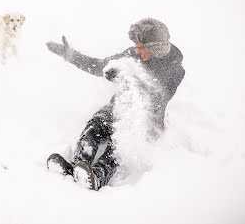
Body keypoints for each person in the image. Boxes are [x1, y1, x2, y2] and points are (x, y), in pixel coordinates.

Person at [46, 18, 185, 190]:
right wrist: (70, 55)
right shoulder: (133, 54)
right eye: (136, 46)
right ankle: (78, 164)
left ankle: (97, 176)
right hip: (119, 106)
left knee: (119, 142)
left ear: (154, 48)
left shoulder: (175, 70)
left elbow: (157, 97)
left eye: (141, 48)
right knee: (97, 123)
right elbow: (99, 65)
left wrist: (126, 77)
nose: (137, 51)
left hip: (143, 121)